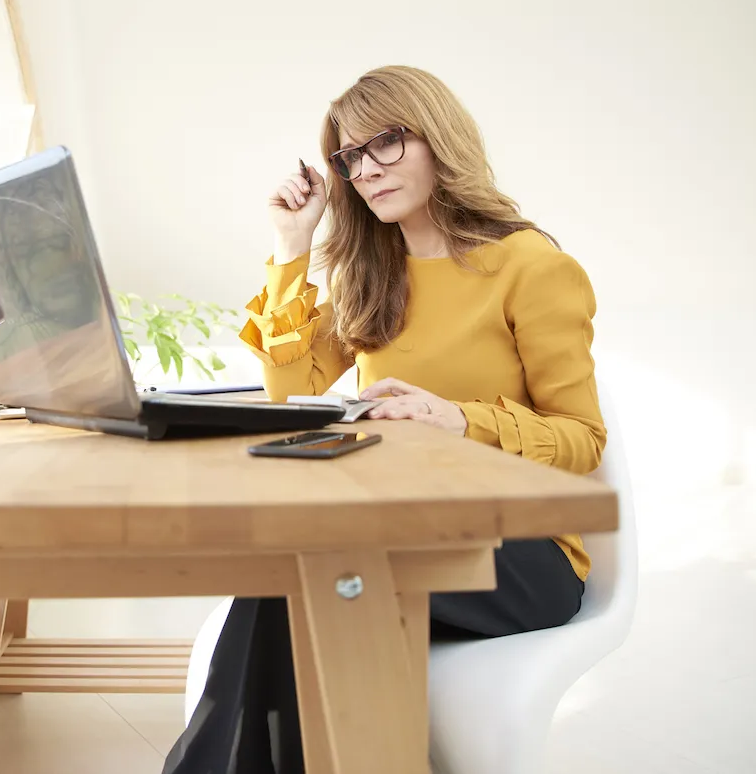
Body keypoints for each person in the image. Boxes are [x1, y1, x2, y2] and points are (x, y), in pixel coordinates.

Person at [162, 66, 606, 773]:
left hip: (520, 551)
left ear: (438, 138)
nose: (365, 169)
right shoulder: (373, 270)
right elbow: (290, 390)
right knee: (296, 581)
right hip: (392, 527)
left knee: (299, 581)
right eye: (349, 157)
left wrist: (458, 420)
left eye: (386, 144)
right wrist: (291, 247)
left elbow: (583, 441)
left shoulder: (532, 265)